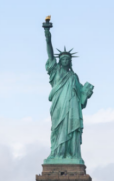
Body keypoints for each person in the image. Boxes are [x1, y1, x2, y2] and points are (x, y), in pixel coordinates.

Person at [42, 24, 94, 164]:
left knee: (71, 129)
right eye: (62, 59)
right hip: (59, 105)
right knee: (57, 129)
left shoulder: (73, 77)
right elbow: (50, 53)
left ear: (70, 61)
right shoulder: (56, 71)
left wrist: (86, 93)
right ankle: (57, 152)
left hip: (72, 108)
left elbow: (81, 95)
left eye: (67, 59)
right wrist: (48, 35)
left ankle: (71, 153)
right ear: (59, 61)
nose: (65, 60)